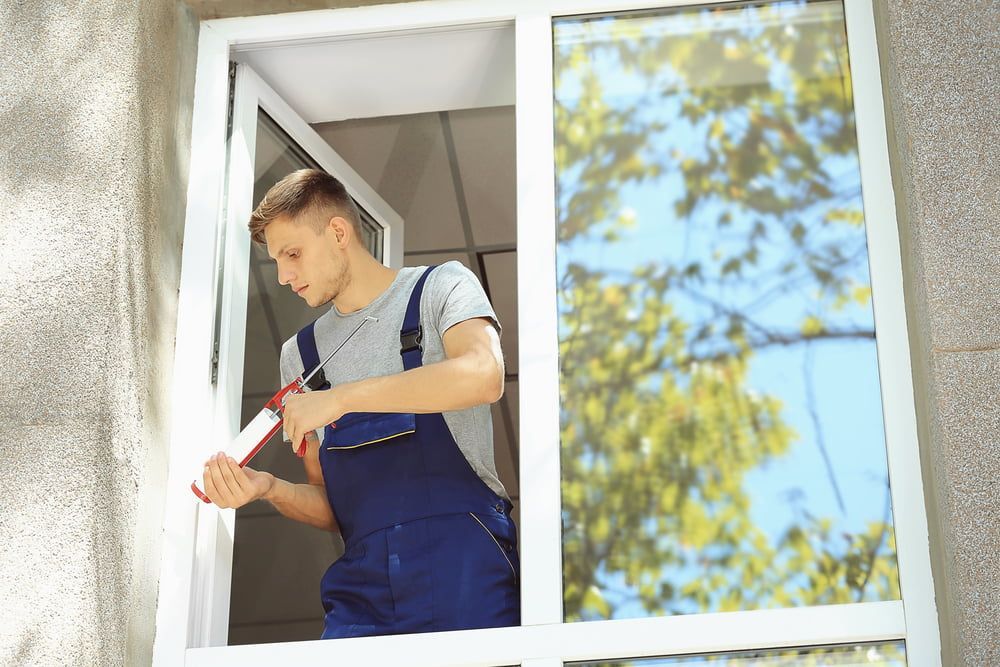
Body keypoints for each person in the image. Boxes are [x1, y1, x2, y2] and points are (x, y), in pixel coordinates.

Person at [199, 168, 520, 639]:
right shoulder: (301, 358)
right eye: (277, 262)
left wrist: (342, 400)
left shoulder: (439, 288)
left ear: (338, 232)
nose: (285, 276)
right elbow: (335, 507)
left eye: (293, 254)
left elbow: (484, 374)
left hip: (463, 566)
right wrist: (266, 487)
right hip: (362, 592)